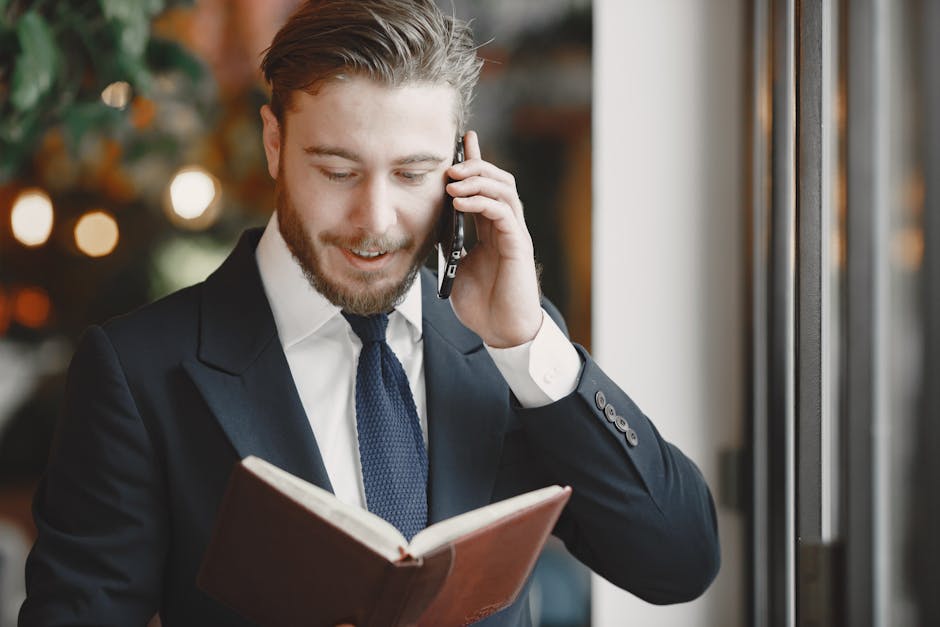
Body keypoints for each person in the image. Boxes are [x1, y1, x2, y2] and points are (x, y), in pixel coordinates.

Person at [19, 1, 720, 625]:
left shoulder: (512, 350)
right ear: (274, 144)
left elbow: (680, 561)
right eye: (337, 170)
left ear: (461, 165)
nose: (375, 221)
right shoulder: (138, 371)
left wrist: (529, 341)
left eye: (413, 174)